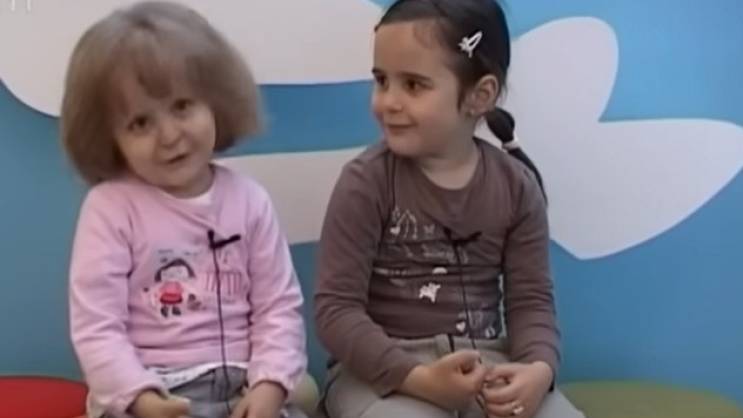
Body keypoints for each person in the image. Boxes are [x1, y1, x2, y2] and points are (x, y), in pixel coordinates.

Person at [314, 1, 584, 417]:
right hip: (380, 375)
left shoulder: (517, 188)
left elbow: (531, 302)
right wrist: (418, 379)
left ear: (480, 95)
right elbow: (336, 310)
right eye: (382, 80)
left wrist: (538, 371)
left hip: (485, 366)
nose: (387, 101)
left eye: (413, 85)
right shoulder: (366, 182)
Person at [62, 2, 306, 417]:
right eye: (141, 123)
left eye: (181, 107)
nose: (169, 136)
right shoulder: (110, 209)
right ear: (109, 137)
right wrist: (140, 398)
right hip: (151, 391)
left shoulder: (250, 200)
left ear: (216, 101)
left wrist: (271, 383)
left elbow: (278, 309)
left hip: (245, 384)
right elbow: (97, 328)